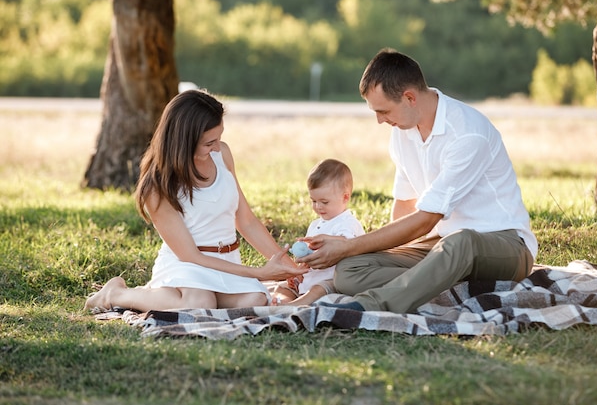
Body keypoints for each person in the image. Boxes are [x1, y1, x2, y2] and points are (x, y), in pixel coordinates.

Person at [299, 48, 538, 314]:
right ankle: (439, 282)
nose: (379, 120)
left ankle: (370, 304)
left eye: (383, 111)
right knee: (349, 270)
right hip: (440, 245)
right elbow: (405, 203)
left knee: (460, 241)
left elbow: (426, 219)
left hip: (504, 246)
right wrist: (371, 255)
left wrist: (348, 246)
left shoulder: (468, 133)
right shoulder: (402, 131)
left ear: (409, 97)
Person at [85, 89, 301, 313]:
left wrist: (292, 269)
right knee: (199, 304)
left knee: (254, 301)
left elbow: (246, 221)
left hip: (228, 262)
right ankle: (116, 293)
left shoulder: (222, 154)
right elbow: (190, 255)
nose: (217, 147)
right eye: (209, 143)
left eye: (219, 138)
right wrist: (259, 273)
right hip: (187, 266)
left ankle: (178, 297)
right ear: (184, 140)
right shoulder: (156, 185)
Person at [272, 159, 365, 306]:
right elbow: (310, 255)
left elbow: (348, 244)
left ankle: (293, 306)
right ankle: (281, 301)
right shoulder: (316, 224)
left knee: (317, 290)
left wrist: (326, 240)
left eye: (324, 202)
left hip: (332, 279)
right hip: (310, 277)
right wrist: (299, 271)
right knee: (283, 286)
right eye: (313, 201)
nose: (318, 206)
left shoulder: (348, 223)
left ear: (345, 197)